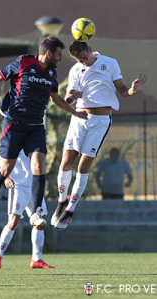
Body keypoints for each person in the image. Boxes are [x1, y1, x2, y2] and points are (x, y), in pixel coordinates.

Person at [0, 36, 87, 226]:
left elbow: (55, 99)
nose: (60, 58)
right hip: (14, 123)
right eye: (58, 54)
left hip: (36, 126)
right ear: (48, 53)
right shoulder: (23, 62)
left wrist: (75, 113)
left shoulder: (51, 74)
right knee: (6, 168)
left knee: (39, 166)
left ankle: (37, 211)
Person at [51, 40, 147, 231]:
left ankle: (70, 210)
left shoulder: (110, 63)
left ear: (90, 50)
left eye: (85, 58)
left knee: (83, 165)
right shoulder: (76, 70)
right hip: (79, 118)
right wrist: (72, 97)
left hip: (100, 122)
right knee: (66, 161)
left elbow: (122, 90)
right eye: (79, 60)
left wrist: (132, 90)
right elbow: (68, 97)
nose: (84, 62)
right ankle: (62, 201)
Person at [0, 150, 54, 269]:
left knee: (40, 221)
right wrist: (5, 178)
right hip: (18, 187)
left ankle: (37, 259)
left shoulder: (35, 143)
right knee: (13, 222)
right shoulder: (15, 142)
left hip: (35, 187)